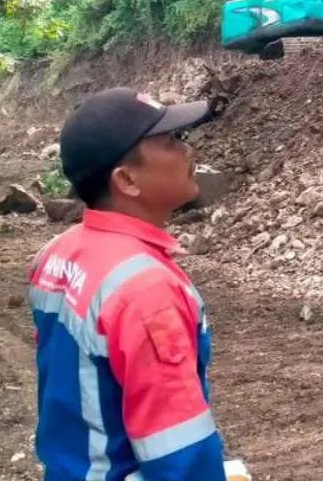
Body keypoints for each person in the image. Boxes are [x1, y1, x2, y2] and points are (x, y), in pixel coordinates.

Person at [28, 87, 226, 481]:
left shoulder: (56, 254)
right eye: (171, 141)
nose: (188, 151)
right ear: (127, 180)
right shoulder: (147, 290)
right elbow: (180, 456)